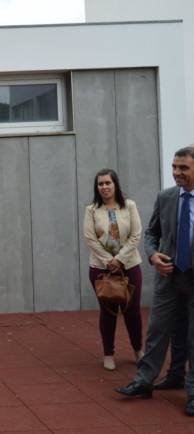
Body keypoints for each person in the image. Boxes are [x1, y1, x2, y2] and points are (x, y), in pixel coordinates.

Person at [116, 146, 194, 417]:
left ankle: (192, 392)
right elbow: (151, 233)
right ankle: (144, 381)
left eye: (183, 168)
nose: (176, 173)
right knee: (158, 330)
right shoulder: (166, 197)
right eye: (174, 167)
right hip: (168, 276)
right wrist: (152, 256)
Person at [83, 168, 144, 371]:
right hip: (101, 268)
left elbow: (136, 235)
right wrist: (109, 260)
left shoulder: (129, 206)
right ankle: (108, 354)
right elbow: (90, 238)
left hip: (129, 265)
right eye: (100, 184)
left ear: (115, 184)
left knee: (132, 311)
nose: (104, 187)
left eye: (108, 183)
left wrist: (120, 259)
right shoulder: (92, 209)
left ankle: (138, 350)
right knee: (108, 311)